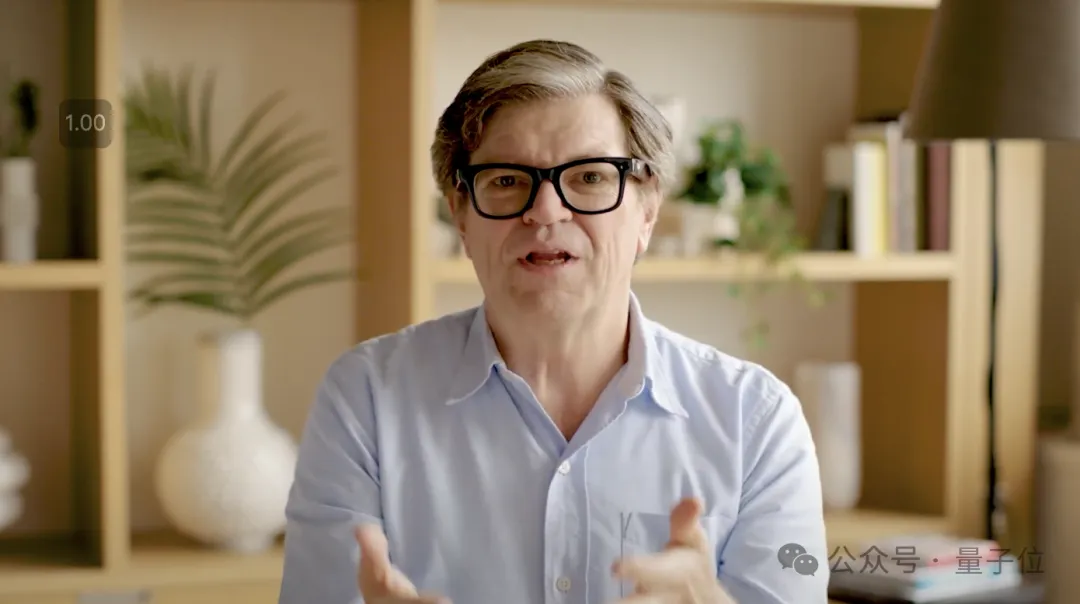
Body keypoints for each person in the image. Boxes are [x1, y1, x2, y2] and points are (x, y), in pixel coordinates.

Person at [278, 39, 828, 604]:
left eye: (589, 177)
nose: (545, 211)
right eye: (506, 180)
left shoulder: (755, 421)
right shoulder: (367, 399)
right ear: (460, 214)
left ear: (648, 211)